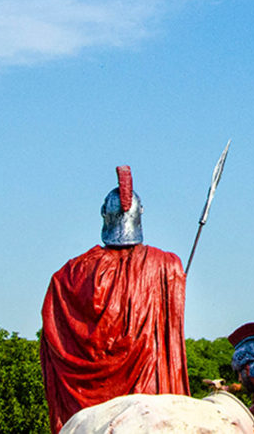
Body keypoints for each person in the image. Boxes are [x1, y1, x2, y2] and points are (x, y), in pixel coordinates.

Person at [40, 166, 190, 433]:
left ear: (104, 216)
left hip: (86, 413)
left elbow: (55, 329)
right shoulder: (165, 265)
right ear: (139, 215)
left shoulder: (71, 274)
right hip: (148, 401)